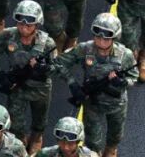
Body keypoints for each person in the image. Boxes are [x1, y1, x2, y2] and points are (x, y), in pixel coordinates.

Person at [54, 13, 137, 156]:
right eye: (98, 36)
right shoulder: (85, 49)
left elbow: (134, 76)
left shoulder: (125, 55)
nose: (101, 40)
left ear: (114, 37)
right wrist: (72, 83)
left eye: (106, 37)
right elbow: (59, 63)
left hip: (116, 104)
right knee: (92, 140)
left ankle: (111, 151)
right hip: (92, 103)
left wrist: (123, 82)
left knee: (115, 135)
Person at [0, 0, 58, 148]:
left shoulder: (47, 43)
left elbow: (57, 68)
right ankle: (20, 145)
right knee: (15, 124)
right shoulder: (8, 35)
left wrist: (43, 68)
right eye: (20, 22)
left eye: (29, 24)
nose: (24, 27)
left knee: (39, 122)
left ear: (37, 24)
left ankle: (35, 141)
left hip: (40, 89)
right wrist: (0, 74)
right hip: (16, 87)